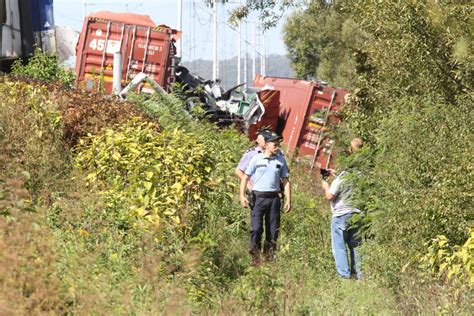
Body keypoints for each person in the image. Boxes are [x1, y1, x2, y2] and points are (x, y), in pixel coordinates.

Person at [240, 132, 291, 266]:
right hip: (258, 198)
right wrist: (242, 196)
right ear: (267, 145)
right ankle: (255, 258)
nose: (277, 147)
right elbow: (245, 177)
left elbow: (285, 180)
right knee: (256, 229)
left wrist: (288, 200)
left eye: (278, 145)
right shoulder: (256, 159)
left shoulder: (280, 160)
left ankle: (268, 259)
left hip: (274, 199)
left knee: (273, 231)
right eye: (275, 145)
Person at [321, 138, 363, 279]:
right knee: (356, 246)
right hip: (357, 214)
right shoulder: (361, 175)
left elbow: (330, 196)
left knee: (339, 247)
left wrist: (326, 185)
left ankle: (344, 276)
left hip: (341, 215)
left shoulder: (342, 178)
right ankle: (358, 274)